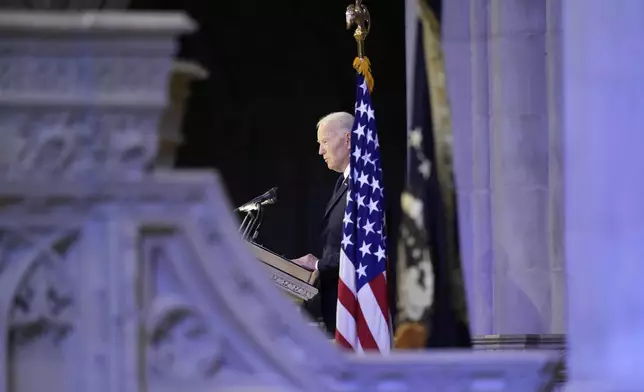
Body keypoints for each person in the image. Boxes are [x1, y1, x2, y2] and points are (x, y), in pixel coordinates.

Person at [293, 111, 354, 335]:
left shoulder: (364, 187)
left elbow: (359, 249)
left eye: (325, 142)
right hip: (336, 302)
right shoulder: (343, 183)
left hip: (355, 307)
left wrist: (318, 265)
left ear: (348, 140)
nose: (320, 151)